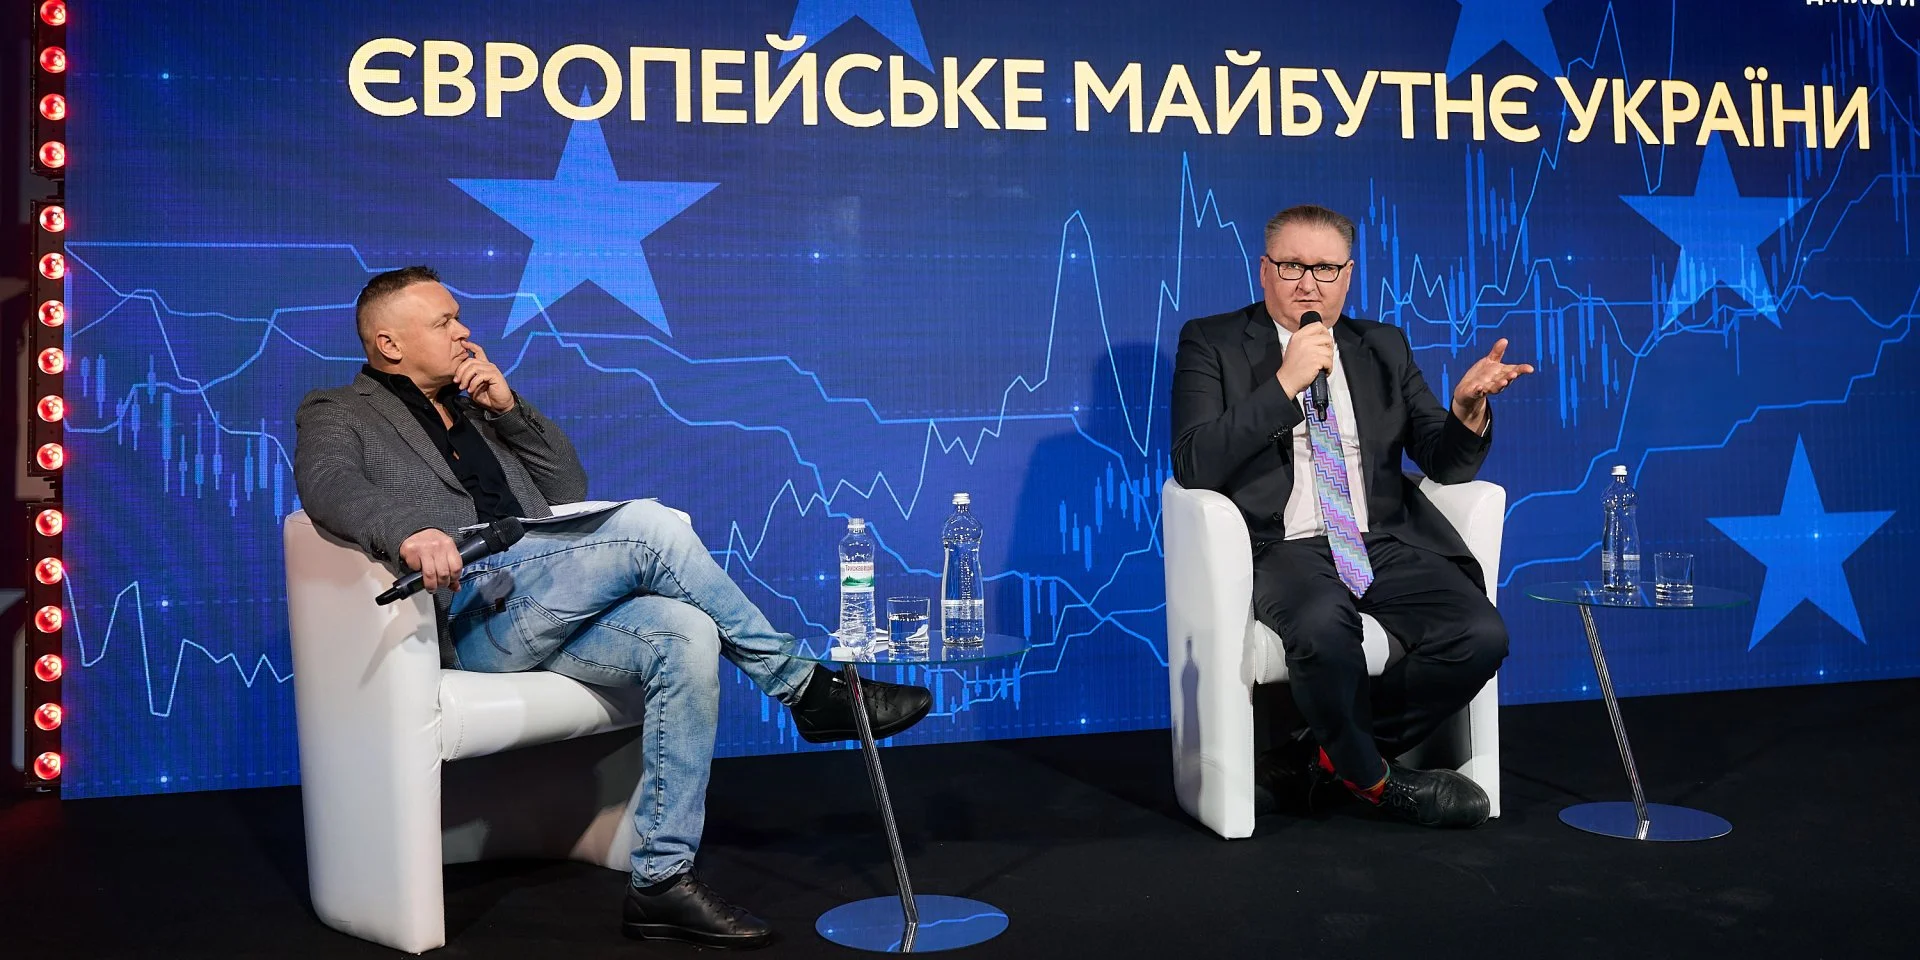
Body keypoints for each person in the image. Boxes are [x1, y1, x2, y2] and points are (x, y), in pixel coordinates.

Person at [294, 265, 933, 947]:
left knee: (686, 632)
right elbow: (328, 485)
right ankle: (806, 689)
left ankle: (661, 884)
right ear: (390, 344)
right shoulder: (338, 411)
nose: (464, 331)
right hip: (479, 613)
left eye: (459, 317)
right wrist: (409, 533)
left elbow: (565, 488)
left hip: (547, 596)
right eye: (444, 321)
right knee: (650, 526)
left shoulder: (475, 404)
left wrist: (507, 411)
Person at [1170, 205, 1533, 828]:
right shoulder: (1212, 341)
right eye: (1292, 266)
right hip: (1282, 544)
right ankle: (1378, 782)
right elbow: (1194, 462)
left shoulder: (1382, 345)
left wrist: (1466, 411)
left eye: (1325, 269)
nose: (1308, 283)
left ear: (1348, 275)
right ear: (1264, 270)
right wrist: (1284, 385)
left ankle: (1320, 759)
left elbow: (1444, 463)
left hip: (1379, 537)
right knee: (1322, 629)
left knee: (1480, 635)